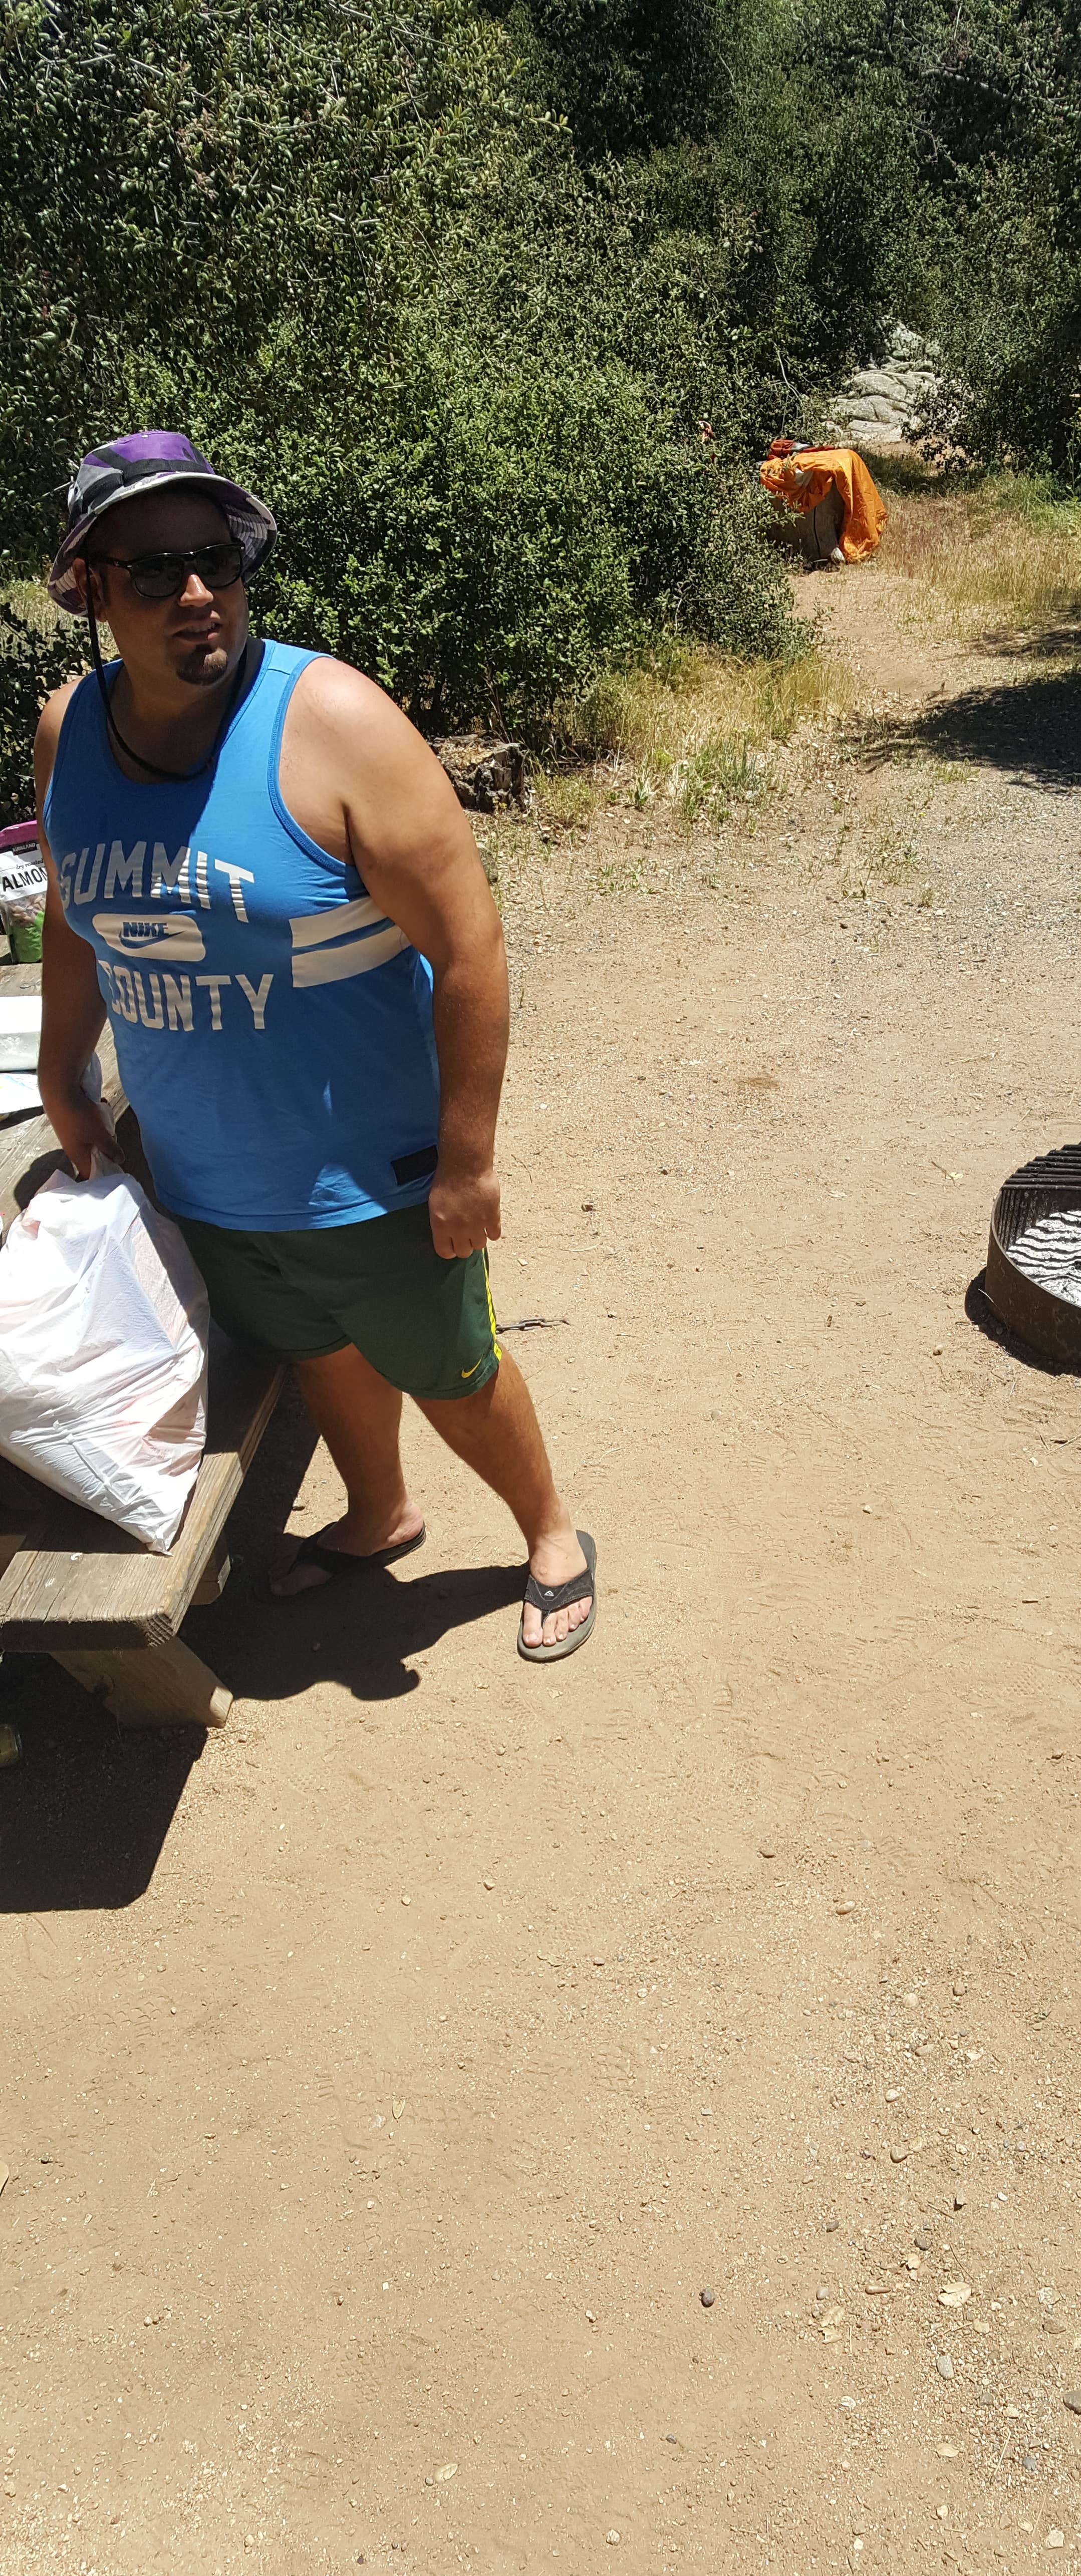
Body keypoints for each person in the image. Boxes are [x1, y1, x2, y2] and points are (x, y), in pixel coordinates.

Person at [35, 431, 595, 1661]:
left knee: (449, 1368)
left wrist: (468, 1159)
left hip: (368, 1178)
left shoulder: (331, 719)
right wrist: (55, 1068)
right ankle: (380, 1512)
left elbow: (472, 944)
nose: (199, 592)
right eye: (155, 571)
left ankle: (550, 1529)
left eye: (220, 557)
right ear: (83, 588)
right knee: (319, 1352)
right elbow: (73, 911)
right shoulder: (68, 728)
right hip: (204, 1179)